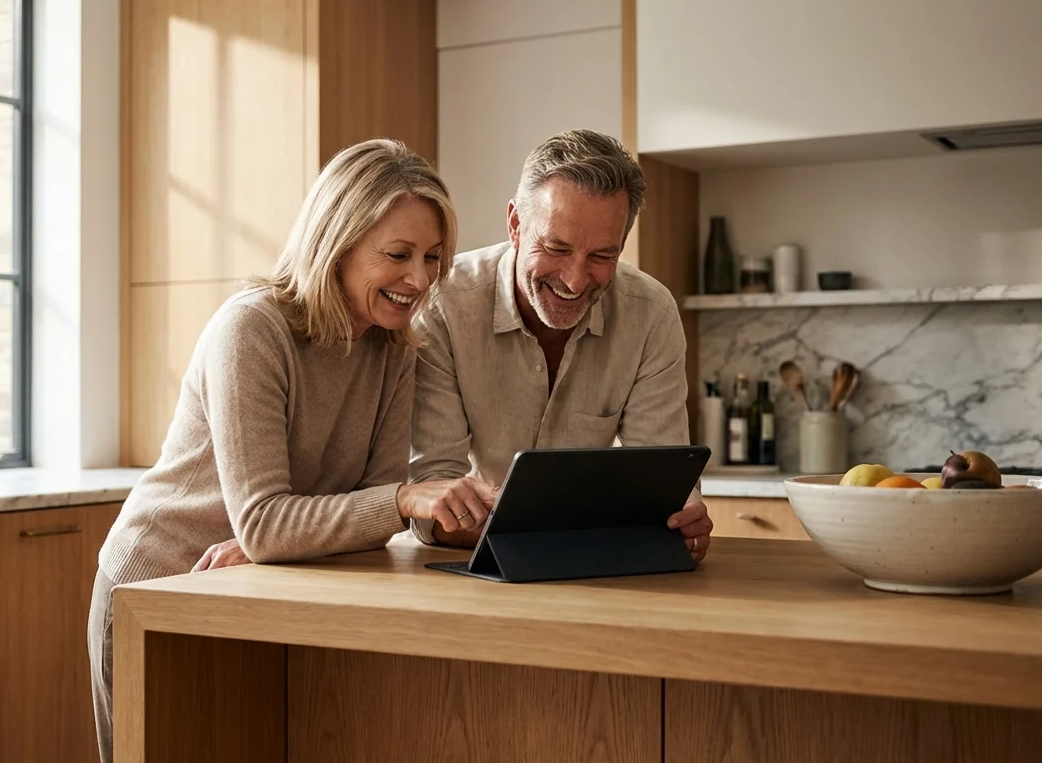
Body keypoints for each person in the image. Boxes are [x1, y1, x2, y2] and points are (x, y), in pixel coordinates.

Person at [87, 139, 495, 763]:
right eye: (398, 254)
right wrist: (396, 500)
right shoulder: (251, 328)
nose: (420, 279)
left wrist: (270, 546)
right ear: (338, 239)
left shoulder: (393, 352)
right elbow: (269, 521)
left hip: (260, 589)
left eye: (434, 257)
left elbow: (359, 526)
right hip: (163, 586)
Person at [408, 128, 714, 557]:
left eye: (603, 256)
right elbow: (431, 493)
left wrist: (681, 515)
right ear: (515, 224)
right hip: (466, 568)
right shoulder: (442, 306)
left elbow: (664, 478)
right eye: (555, 247)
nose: (574, 279)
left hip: (592, 566)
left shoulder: (651, 312)